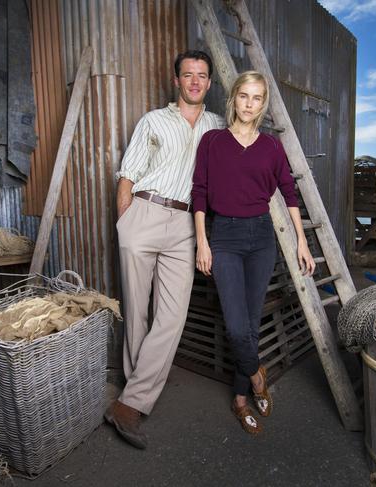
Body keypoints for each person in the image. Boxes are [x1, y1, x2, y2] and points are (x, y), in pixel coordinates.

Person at [104, 50, 225, 449]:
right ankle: (135, 390)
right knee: (137, 310)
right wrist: (126, 221)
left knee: (172, 316)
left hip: (186, 224)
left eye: (202, 75)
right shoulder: (154, 120)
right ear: (177, 81)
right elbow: (128, 174)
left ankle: (128, 402)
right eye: (187, 74)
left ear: (210, 83)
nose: (194, 81)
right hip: (145, 210)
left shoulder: (218, 126)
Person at [191, 71, 315, 435]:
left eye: (257, 98)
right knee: (235, 325)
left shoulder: (271, 147)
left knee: (248, 322)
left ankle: (241, 398)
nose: (249, 104)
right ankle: (258, 377)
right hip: (225, 236)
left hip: (261, 238)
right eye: (244, 96)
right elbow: (200, 192)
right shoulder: (212, 141)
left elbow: (289, 193)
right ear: (233, 99)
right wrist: (202, 240)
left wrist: (301, 240)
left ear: (263, 104)